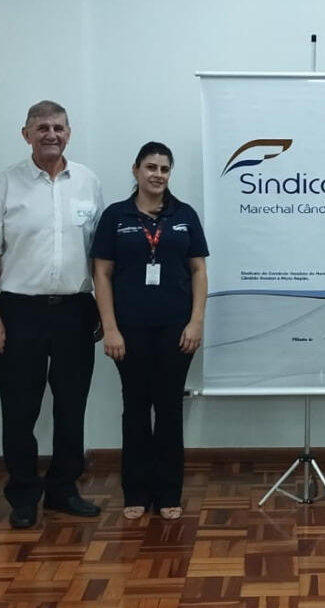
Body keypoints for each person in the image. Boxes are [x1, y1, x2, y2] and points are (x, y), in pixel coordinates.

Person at [0, 100, 104, 528]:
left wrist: (104, 308)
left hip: (76, 310)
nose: (51, 134)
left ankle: (64, 488)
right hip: (19, 311)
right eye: (42, 127)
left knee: (72, 406)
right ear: (26, 134)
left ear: (69, 133)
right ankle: (23, 494)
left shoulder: (88, 182)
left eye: (58, 127)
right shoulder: (4, 184)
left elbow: (100, 256)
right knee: (19, 408)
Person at [91, 142, 208, 521]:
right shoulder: (115, 216)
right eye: (151, 167)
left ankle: (169, 492)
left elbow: (198, 271)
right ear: (136, 169)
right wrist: (110, 328)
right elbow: (102, 274)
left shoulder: (184, 215)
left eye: (164, 168)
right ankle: (137, 492)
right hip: (129, 331)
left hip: (177, 330)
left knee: (170, 409)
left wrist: (196, 321)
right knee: (136, 409)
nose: (158, 174)